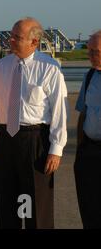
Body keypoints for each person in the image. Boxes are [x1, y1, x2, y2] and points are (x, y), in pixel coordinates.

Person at [0, 17, 68, 229]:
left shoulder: (49, 68)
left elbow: (59, 111)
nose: (10, 41)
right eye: (10, 36)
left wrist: (56, 149)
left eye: (17, 38)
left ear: (34, 42)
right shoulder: (1, 66)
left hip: (34, 141)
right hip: (5, 140)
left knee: (35, 205)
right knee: (6, 202)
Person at [74, 30, 101, 229]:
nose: (90, 56)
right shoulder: (90, 75)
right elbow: (83, 112)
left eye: (96, 51)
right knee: (89, 207)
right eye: (89, 51)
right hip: (90, 152)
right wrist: (80, 149)